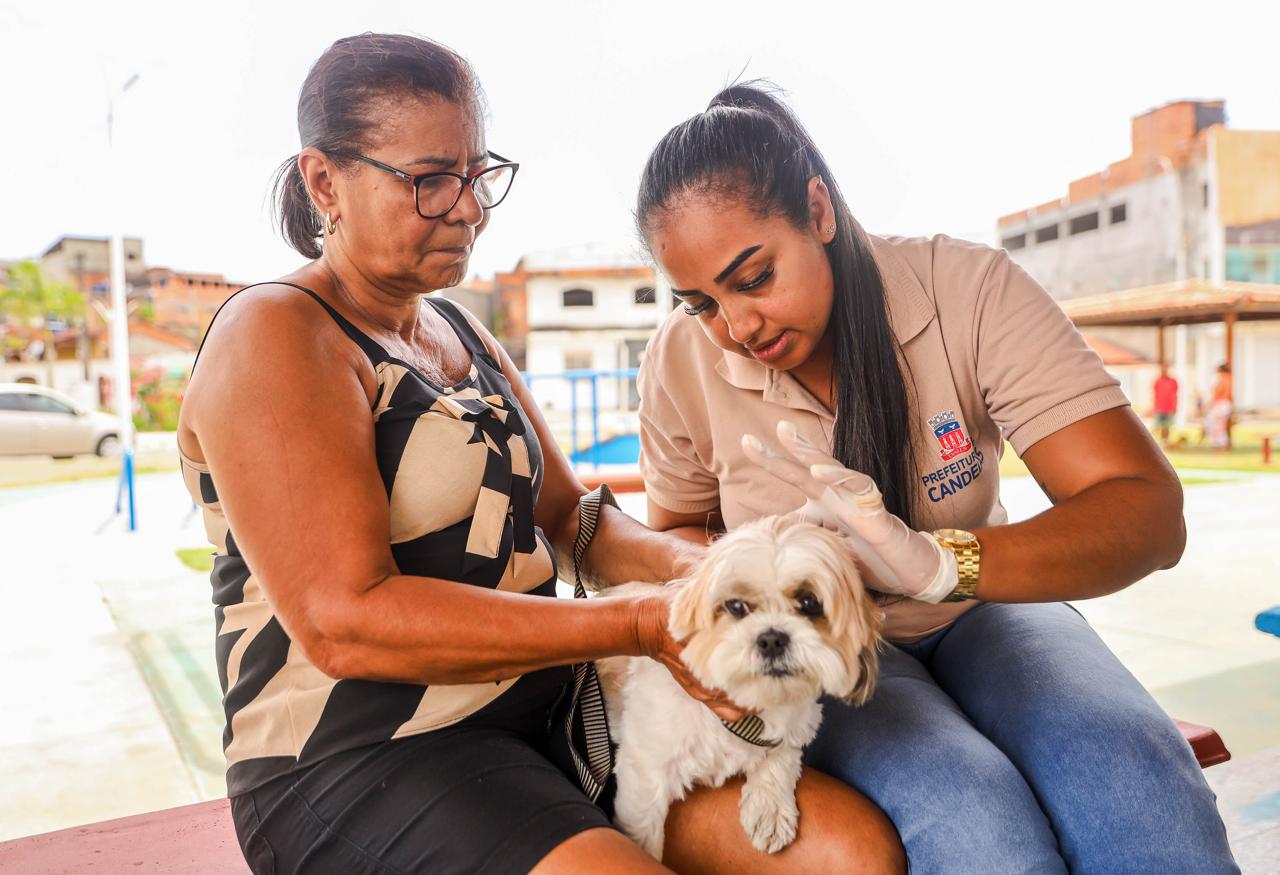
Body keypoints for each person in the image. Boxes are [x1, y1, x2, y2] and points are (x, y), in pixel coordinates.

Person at [177, 36, 902, 875]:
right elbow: (347, 619)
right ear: (323, 182)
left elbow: (570, 520)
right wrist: (633, 620)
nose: (469, 208)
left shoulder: (459, 331)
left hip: (553, 710)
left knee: (851, 856)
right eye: (430, 180)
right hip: (367, 754)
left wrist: (696, 565)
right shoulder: (275, 335)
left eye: (478, 175)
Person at [634, 82, 1239, 874]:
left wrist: (945, 563)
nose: (736, 328)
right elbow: (673, 532)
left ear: (818, 211)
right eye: (700, 302)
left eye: (753, 278)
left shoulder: (967, 290)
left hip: (987, 610)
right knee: (975, 822)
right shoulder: (682, 358)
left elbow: (1147, 513)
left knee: (1133, 783)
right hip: (827, 650)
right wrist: (760, 595)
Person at [1207, 363, 1234, 450]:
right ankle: (1221, 444)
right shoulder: (1229, 379)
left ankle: (1222, 444)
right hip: (1225, 404)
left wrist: (1208, 405)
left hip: (1220, 404)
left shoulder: (1222, 379)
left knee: (1215, 424)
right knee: (1219, 424)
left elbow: (1216, 394)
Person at [1153, 365, 1179, 447]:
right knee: (1158, 425)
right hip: (1159, 407)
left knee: (1167, 426)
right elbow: (1155, 395)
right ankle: (1157, 442)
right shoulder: (1157, 381)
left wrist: (1175, 406)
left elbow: (1175, 395)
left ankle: (1165, 442)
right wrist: (1154, 406)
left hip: (1169, 407)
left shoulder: (1173, 381)